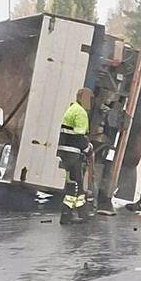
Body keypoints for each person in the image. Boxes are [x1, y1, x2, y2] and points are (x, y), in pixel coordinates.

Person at [58, 88, 94, 225]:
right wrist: (88, 149)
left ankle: (81, 212)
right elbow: (79, 137)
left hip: (66, 151)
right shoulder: (80, 113)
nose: (90, 102)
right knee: (76, 184)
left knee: (75, 181)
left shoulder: (72, 109)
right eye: (89, 99)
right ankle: (66, 214)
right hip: (72, 151)